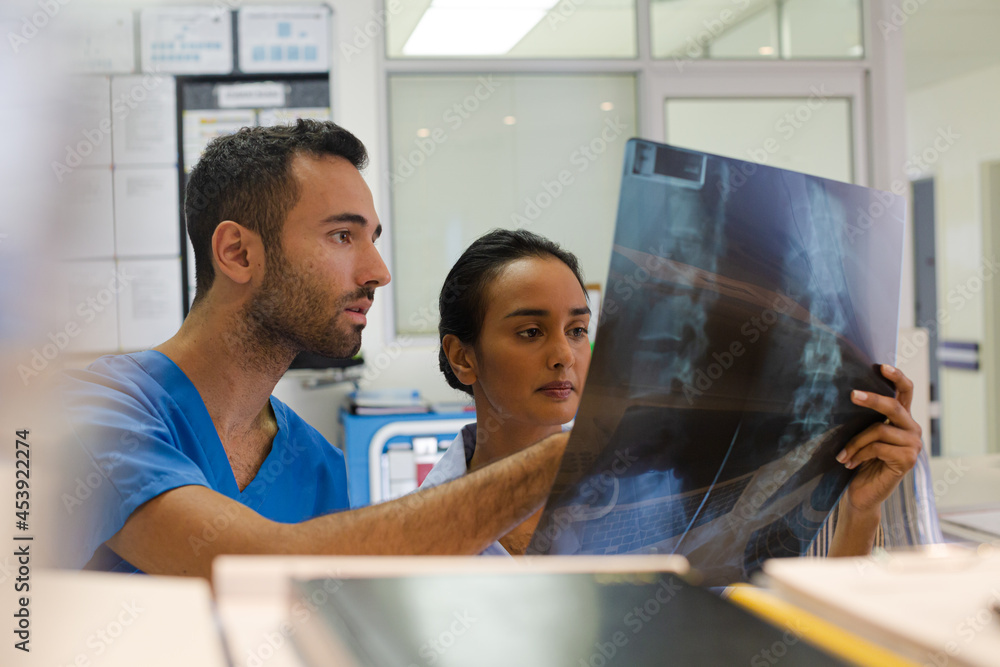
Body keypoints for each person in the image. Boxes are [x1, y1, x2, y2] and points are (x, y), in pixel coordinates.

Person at [55, 120, 568, 578]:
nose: (377, 273)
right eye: (342, 235)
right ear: (237, 253)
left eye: (372, 239)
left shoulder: (316, 463)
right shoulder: (100, 414)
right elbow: (254, 563)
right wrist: (566, 457)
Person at [421, 229, 923, 558]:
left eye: (577, 330)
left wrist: (861, 510)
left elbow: (787, 639)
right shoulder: (413, 532)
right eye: (530, 332)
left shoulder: (657, 491)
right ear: (464, 356)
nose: (564, 355)